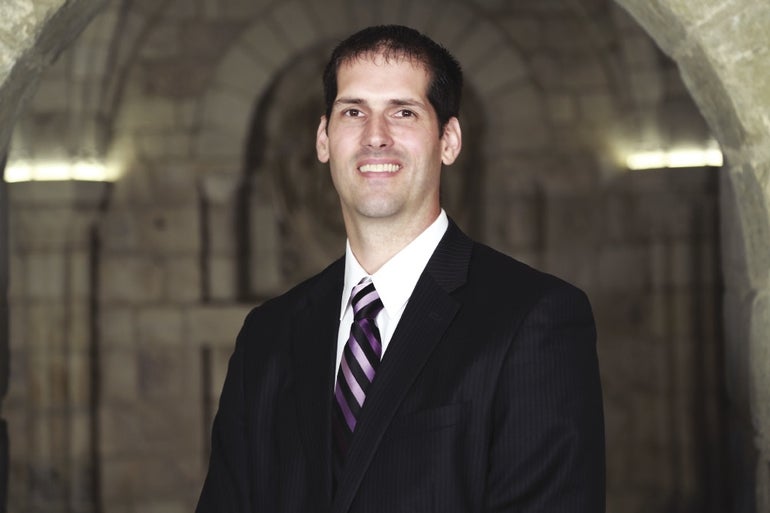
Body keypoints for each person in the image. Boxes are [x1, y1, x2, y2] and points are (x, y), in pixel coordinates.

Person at [196, 25, 605, 513]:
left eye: (403, 112)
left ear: (448, 140)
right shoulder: (266, 336)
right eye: (353, 112)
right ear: (324, 139)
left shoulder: (535, 319)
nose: (375, 136)